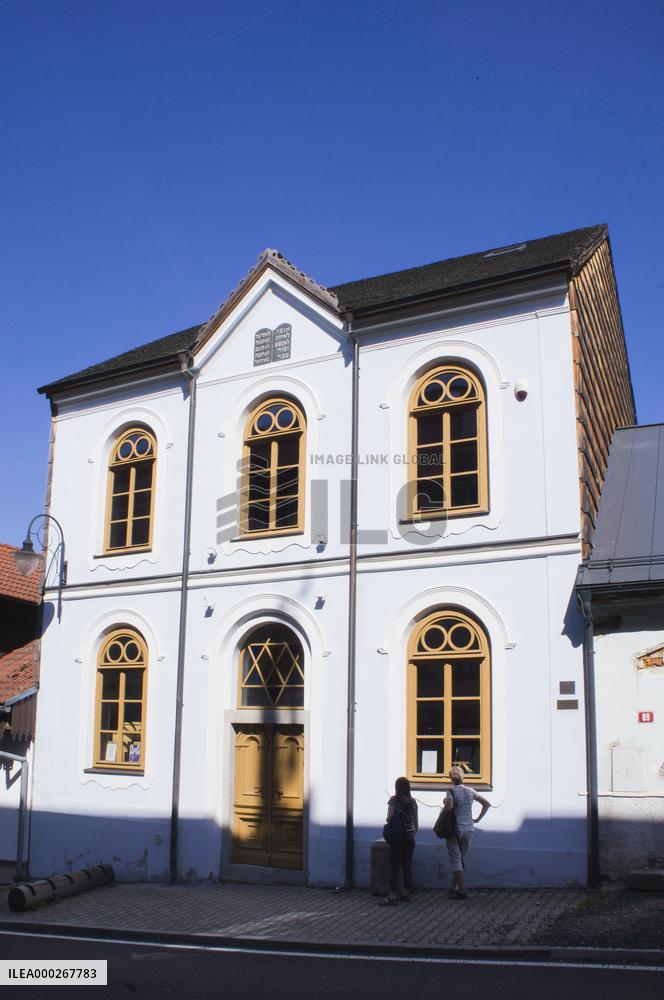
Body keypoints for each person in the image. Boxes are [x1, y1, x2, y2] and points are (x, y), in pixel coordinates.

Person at [444, 765, 490, 899]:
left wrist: (445, 802)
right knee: (460, 859)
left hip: (456, 829)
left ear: (451, 778)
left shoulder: (451, 791)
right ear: (463, 776)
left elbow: (449, 808)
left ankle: (462, 890)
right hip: (469, 828)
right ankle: (454, 887)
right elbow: (486, 804)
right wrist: (477, 819)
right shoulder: (470, 791)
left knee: (456, 861)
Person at [382, 776, 418, 905]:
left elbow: (389, 817)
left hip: (398, 837)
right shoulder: (413, 801)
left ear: (397, 787)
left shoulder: (394, 800)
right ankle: (406, 892)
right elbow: (416, 822)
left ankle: (392, 895)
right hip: (410, 837)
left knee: (395, 866)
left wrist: (389, 820)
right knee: (407, 865)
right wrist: (412, 832)